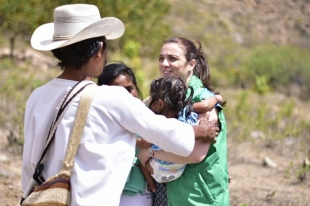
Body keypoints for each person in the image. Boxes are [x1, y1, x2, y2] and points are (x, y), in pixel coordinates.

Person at [21, 5, 219, 206]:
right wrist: (200, 131)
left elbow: (30, 161)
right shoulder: (111, 98)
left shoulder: (38, 96)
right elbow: (162, 131)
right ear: (99, 49)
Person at [138, 37, 229, 206]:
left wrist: (150, 153)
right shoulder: (161, 97)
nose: (165, 64)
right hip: (171, 193)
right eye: (161, 58)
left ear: (191, 65)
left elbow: (196, 154)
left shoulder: (204, 101)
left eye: (172, 58)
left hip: (197, 196)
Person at [97, 62, 153, 206]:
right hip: (113, 191)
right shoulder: (99, 119)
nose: (125, 95)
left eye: (129, 89)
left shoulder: (147, 113)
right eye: (117, 90)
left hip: (144, 191)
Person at [139, 76, 198, 193]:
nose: (149, 102)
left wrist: (130, 139)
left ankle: (152, 186)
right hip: (178, 169)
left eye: (151, 99)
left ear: (160, 104)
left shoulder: (158, 124)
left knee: (141, 161)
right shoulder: (184, 115)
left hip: (160, 170)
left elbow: (145, 142)